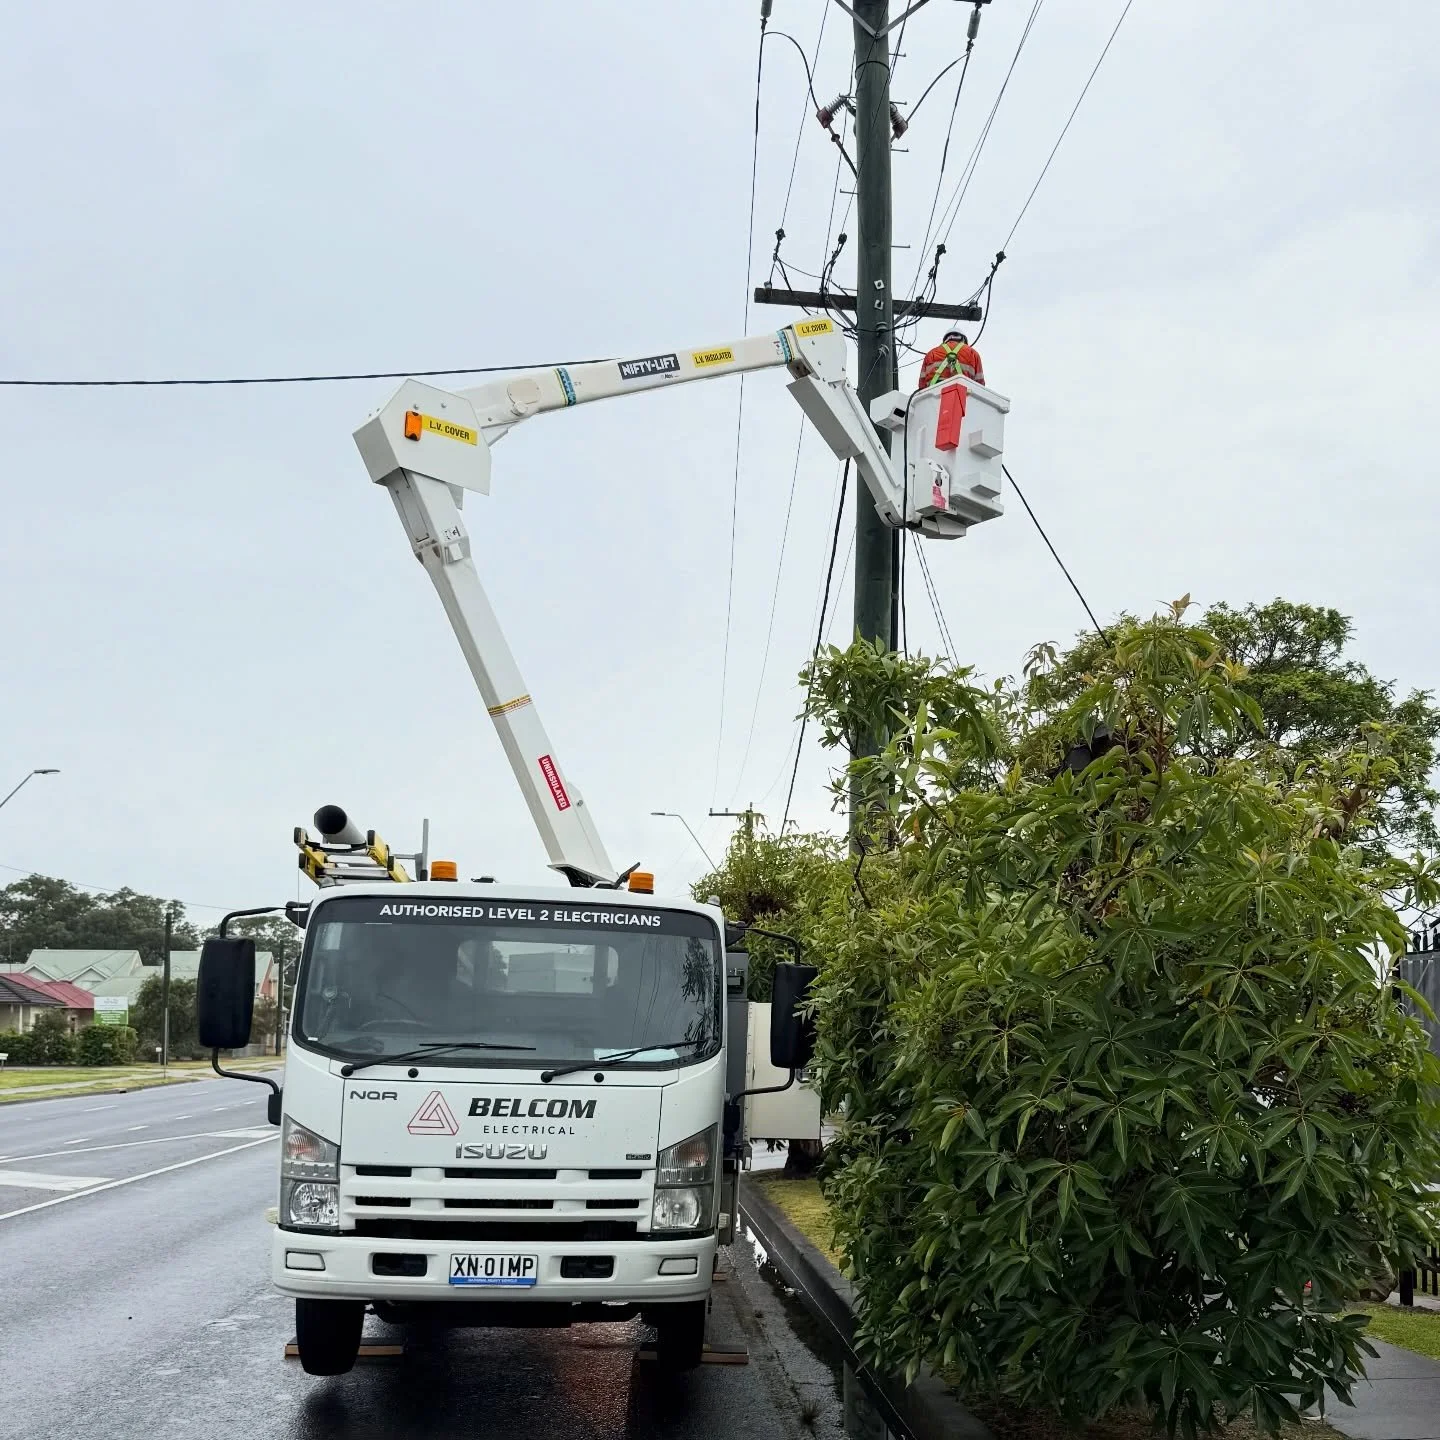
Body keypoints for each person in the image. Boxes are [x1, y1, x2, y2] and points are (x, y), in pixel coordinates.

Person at [918, 327, 984, 388]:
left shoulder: (931, 353)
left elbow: (922, 384)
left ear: (945, 339)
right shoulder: (973, 353)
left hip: (934, 394)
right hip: (963, 394)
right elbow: (980, 384)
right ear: (963, 339)